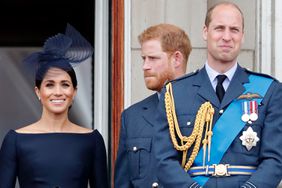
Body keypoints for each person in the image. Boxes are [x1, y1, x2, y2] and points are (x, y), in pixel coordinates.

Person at [154, 2, 282, 188]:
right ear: (206, 32)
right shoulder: (175, 92)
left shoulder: (269, 90)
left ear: (242, 36)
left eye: (234, 30)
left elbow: (274, 160)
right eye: (219, 28)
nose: (227, 37)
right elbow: (164, 160)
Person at [0, 24, 108, 188]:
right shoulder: (15, 140)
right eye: (50, 85)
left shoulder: (92, 140)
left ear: (74, 91)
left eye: (65, 84)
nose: (58, 92)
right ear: (38, 92)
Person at [114, 23, 192, 187]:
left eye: (153, 58)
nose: (145, 66)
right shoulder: (132, 117)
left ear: (176, 58)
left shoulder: (206, 109)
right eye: (144, 59)